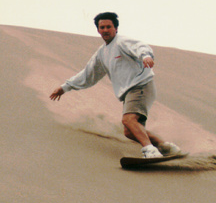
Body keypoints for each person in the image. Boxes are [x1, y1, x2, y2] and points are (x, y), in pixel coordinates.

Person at [50, 12, 181, 158]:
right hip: (129, 93)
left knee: (128, 120)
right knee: (129, 131)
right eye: (102, 27)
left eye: (109, 26)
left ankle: (150, 151)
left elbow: (140, 47)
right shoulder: (102, 53)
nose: (105, 30)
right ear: (98, 30)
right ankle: (166, 147)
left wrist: (146, 55)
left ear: (116, 28)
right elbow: (88, 74)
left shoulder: (121, 42)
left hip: (140, 86)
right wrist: (64, 87)